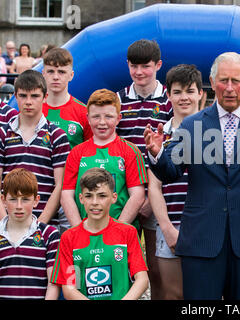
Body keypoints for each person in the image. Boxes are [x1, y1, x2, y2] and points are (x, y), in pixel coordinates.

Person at [145, 51, 240, 300]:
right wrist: (157, 154)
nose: (229, 88)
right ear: (212, 82)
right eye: (223, 80)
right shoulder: (193, 124)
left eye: (236, 81)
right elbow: (170, 172)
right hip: (203, 238)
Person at [117, 39, 172, 299]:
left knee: (156, 267)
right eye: (134, 66)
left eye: (145, 66)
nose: (139, 72)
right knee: (121, 265)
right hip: (124, 196)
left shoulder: (170, 101)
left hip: (156, 196)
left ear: (158, 65)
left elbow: (171, 154)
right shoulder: (118, 100)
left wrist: (151, 196)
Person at [51, 167, 149, 300]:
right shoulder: (69, 238)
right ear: (81, 198)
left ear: (114, 197)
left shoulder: (127, 232)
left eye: (102, 196)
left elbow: (142, 279)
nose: (95, 202)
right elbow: (70, 288)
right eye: (89, 196)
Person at [148, 64, 203, 300]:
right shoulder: (159, 135)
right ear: (168, 94)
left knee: (204, 294)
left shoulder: (214, 132)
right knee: (173, 294)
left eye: (190, 91)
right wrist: (167, 228)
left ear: (201, 94)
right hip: (170, 223)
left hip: (206, 225)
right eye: (177, 92)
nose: (184, 97)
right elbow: (155, 187)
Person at [61, 89, 147, 230]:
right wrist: (79, 230)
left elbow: (137, 196)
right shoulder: (76, 153)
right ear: (88, 118)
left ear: (118, 118)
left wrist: (118, 229)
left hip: (121, 233)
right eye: (96, 117)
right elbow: (66, 196)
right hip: (85, 232)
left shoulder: (130, 151)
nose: (102, 122)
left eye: (108, 116)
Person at [0, 70, 70, 227]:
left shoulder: (57, 136)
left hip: (44, 225)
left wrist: (39, 226)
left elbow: (60, 186)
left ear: (45, 97)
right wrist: (4, 223)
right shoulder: (3, 133)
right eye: (23, 95)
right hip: (6, 225)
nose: (28, 101)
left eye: (35, 96)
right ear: (15, 96)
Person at [0, 168, 60, 299]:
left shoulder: (49, 235)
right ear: (3, 200)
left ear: (36, 200)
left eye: (25, 199)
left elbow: (53, 283)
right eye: (13, 199)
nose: (19, 206)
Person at [42, 48, 92, 149]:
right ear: (43, 74)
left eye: (61, 72)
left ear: (71, 75)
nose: (55, 77)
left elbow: (91, 154)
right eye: (51, 71)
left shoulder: (84, 112)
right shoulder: (32, 109)